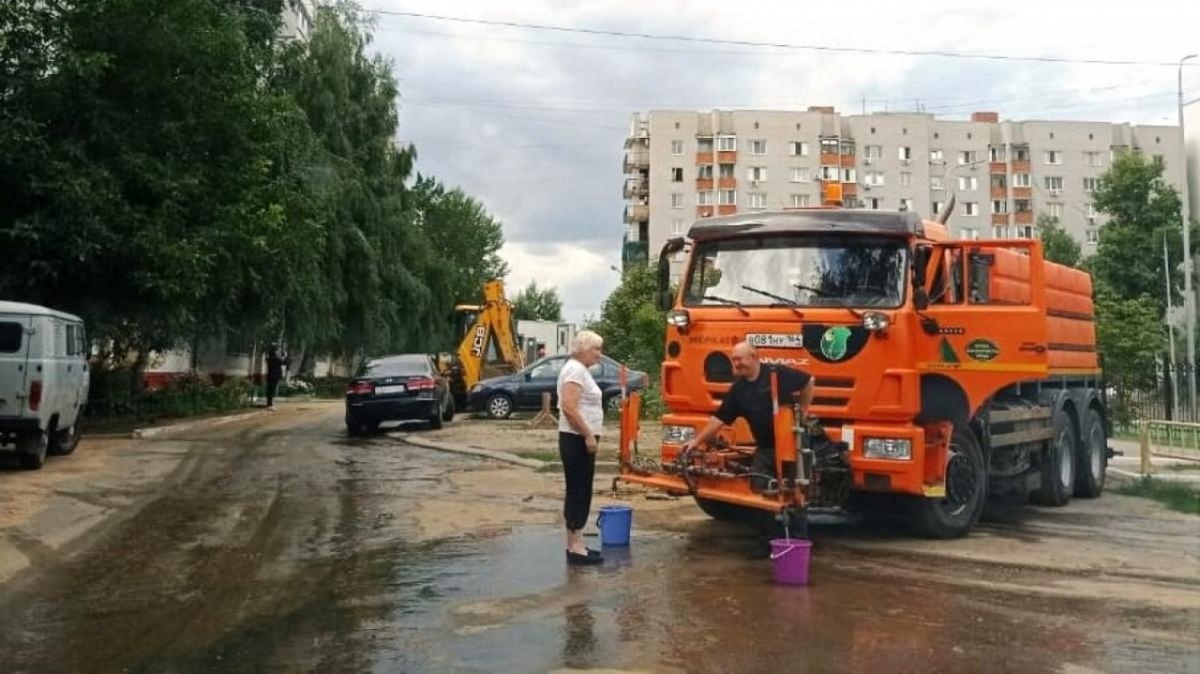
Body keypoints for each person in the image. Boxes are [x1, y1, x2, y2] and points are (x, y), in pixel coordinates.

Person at [682, 341, 814, 491]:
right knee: (757, 488)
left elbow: (808, 381)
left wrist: (803, 410)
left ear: (754, 357)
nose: (736, 364)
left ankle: (797, 512)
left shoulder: (777, 373)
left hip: (791, 445)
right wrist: (697, 441)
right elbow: (719, 419)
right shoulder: (738, 389)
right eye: (734, 360)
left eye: (739, 359)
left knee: (795, 491)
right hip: (765, 448)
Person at [557, 330, 606, 565]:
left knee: (579, 488)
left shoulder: (577, 369)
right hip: (576, 439)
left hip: (576, 438)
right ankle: (576, 547)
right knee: (579, 489)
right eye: (596, 349)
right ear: (583, 349)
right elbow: (569, 406)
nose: (599, 354)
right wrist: (588, 435)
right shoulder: (575, 369)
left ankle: (576, 544)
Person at [265, 344, 288, 410]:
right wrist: (284, 356)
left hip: (270, 375)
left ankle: (269, 404)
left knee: (270, 390)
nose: (278, 352)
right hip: (274, 376)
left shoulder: (270, 358)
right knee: (272, 390)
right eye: (277, 350)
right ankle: (270, 405)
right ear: (274, 351)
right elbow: (282, 361)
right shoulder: (275, 358)